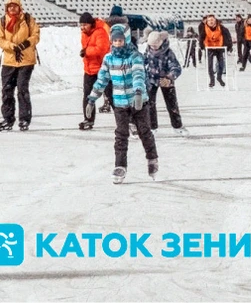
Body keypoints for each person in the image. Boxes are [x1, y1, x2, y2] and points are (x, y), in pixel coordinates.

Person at [87, 24, 158, 184]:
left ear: (125, 40)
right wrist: (92, 98)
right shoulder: (109, 58)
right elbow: (102, 80)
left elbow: (139, 74)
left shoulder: (135, 56)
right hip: (119, 103)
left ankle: (152, 158)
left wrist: (139, 92)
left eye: (120, 40)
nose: (117, 43)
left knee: (144, 132)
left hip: (138, 102)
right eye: (115, 41)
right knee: (121, 135)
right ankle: (120, 166)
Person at [0, 0, 40, 131]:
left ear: (19, 7)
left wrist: (26, 43)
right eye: (9, 6)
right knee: (7, 90)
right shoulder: (2, 21)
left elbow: (36, 35)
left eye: (14, 6)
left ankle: (24, 119)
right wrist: (11, 46)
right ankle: (8, 118)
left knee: (22, 89)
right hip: (9, 60)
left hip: (26, 60)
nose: (12, 8)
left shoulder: (27, 19)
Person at [144, 31, 187, 135]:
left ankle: (177, 126)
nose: (153, 47)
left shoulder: (168, 52)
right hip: (151, 79)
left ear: (160, 43)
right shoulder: (148, 51)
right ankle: (152, 127)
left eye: (155, 45)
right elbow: (143, 63)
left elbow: (176, 67)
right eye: (151, 45)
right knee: (150, 105)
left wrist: (170, 77)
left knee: (172, 104)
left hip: (166, 80)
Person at [79, 12, 110, 130]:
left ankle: (125, 120)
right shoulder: (84, 34)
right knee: (87, 95)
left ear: (91, 24)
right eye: (81, 25)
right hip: (89, 69)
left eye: (85, 25)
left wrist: (87, 51)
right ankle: (88, 119)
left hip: (102, 69)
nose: (82, 27)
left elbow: (101, 49)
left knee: (111, 95)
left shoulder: (100, 32)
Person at [199, 14, 233, 88]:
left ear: (215, 21)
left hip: (219, 47)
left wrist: (230, 46)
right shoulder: (204, 28)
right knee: (210, 65)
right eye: (209, 21)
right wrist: (201, 46)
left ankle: (219, 77)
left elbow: (228, 36)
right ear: (206, 22)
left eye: (212, 20)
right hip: (209, 48)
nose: (211, 22)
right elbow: (201, 37)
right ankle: (212, 79)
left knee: (221, 64)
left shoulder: (221, 27)